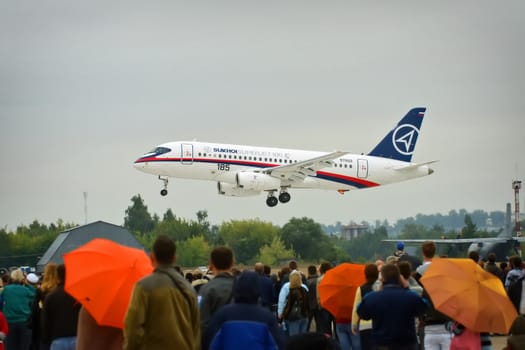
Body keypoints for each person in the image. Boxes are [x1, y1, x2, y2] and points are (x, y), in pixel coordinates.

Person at [123, 235, 200, 350]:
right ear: (174, 258)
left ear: (152, 257)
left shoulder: (143, 287)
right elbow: (196, 332)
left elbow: (133, 328)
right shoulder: (189, 289)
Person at [204, 271, 285, 350]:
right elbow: (278, 344)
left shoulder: (222, 314)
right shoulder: (267, 317)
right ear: (257, 289)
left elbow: (210, 342)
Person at [357, 264, 427, 350]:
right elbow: (424, 307)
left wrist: (378, 291)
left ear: (382, 278)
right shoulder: (411, 297)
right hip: (406, 344)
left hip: (381, 344)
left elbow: (361, 312)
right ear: (399, 277)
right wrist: (407, 287)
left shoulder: (372, 298)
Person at [415, 240, 451, 350]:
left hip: (427, 319)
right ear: (435, 252)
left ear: (423, 252)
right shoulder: (442, 270)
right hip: (444, 317)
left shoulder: (418, 272)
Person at [40, 264, 81, 350]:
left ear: (57, 276)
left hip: (58, 338)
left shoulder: (51, 296)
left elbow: (46, 320)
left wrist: (46, 338)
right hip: (77, 337)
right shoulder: (78, 294)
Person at [199, 246, 236, 339]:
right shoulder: (242, 288)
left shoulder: (205, 289)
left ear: (211, 264)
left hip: (213, 340)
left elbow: (201, 321)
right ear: (232, 263)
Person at [1, 268, 36, 350]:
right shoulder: (26, 290)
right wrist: (27, 283)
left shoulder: (6, 290)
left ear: (12, 278)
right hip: (24, 322)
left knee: (10, 347)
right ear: (22, 279)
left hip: (9, 322)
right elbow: (35, 294)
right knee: (24, 347)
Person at [29, 262, 59, 350]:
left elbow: (35, 309)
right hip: (58, 325)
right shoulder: (60, 289)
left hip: (43, 324)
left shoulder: (41, 290)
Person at [352, 263, 379, 350]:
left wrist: (354, 324)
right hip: (380, 325)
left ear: (365, 274)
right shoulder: (381, 287)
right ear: (377, 273)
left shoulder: (361, 288)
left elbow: (357, 307)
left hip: (365, 326)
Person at [281, 271, 309, 336]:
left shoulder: (291, 292)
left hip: (293, 318)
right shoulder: (304, 289)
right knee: (303, 337)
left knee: (294, 339)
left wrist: (282, 317)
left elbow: (288, 306)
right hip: (304, 316)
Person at [305, 265, 320, 332]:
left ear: (308, 272)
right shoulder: (319, 281)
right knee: (320, 325)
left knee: (307, 326)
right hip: (319, 305)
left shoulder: (306, 282)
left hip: (309, 306)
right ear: (316, 271)